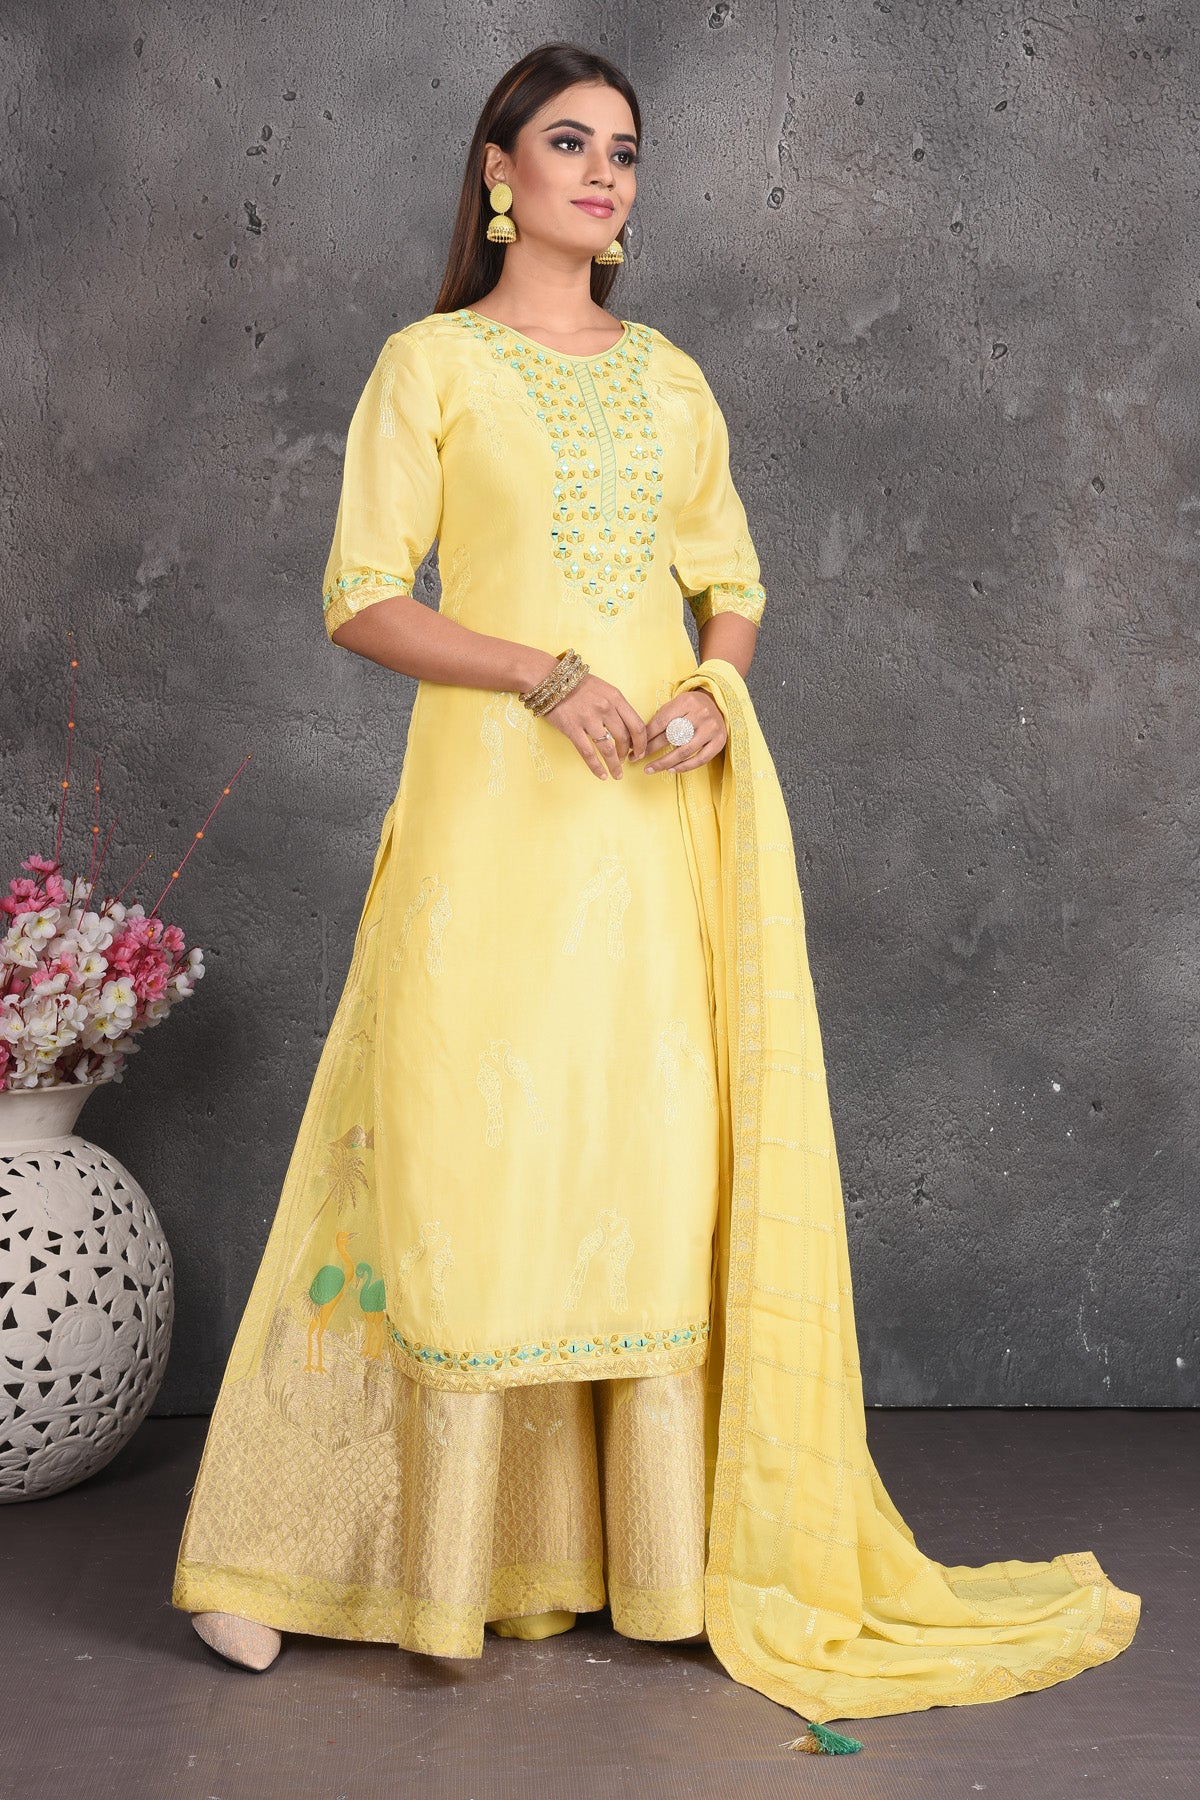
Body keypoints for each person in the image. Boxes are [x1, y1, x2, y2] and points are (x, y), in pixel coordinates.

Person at [172, 42, 1139, 1755]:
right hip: (490, 825)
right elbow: (360, 595)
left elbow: (732, 581)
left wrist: (712, 690)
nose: (604, 172)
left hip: (646, 834)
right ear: (498, 171)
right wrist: (541, 674)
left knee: (631, 1173)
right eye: (569, 142)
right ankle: (306, 1550)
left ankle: (650, 1562)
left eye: (625, 149)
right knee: (454, 1169)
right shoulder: (431, 366)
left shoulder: (673, 379)